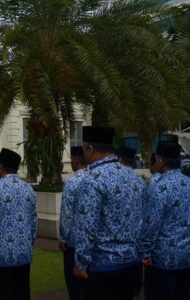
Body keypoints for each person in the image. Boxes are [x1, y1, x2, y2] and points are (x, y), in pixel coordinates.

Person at [73, 126, 144, 300]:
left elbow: (87, 226)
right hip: (131, 262)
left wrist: (80, 263)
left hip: (103, 268)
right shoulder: (135, 178)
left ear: (90, 149)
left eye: (83, 149)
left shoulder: (92, 179)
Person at [0, 148, 37, 300]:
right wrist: (28, 245)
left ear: (1, 167)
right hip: (24, 254)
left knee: (4, 294)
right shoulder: (29, 190)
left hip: (1, 256)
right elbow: (33, 223)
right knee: (22, 293)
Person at [138, 141, 190, 300]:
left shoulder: (161, 187)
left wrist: (144, 251)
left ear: (160, 162)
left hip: (163, 260)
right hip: (188, 257)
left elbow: (150, 223)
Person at [117, 146, 146, 298]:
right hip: (134, 253)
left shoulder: (112, 180)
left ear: (119, 160)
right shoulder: (140, 183)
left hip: (112, 255)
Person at [59, 146, 88, 300]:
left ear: (76, 161)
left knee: (74, 286)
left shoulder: (72, 182)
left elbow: (67, 214)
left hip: (74, 243)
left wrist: (63, 238)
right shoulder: (94, 178)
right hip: (91, 243)